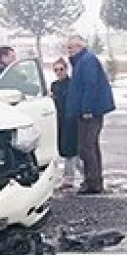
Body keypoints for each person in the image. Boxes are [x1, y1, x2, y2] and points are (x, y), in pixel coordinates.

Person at [65, 36, 116, 194]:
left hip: (90, 112)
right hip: (85, 111)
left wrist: (87, 109)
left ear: (79, 47)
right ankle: (93, 180)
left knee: (87, 147)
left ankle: (93, 183)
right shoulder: (82, 61)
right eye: (68, 48)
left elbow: (90, 85)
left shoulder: (87, 61)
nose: (69, 51)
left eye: (71, 48)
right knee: (89, 146)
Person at [49, 57, 81, 191]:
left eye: (61, 69)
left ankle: (69, 178)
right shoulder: (54, 85)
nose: (59, 72)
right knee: (67, 150)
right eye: (56, 70)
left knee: (71, 150)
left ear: (66, 69)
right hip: (59, 120)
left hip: (71, 119)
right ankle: (85, 174)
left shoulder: (73, 84)